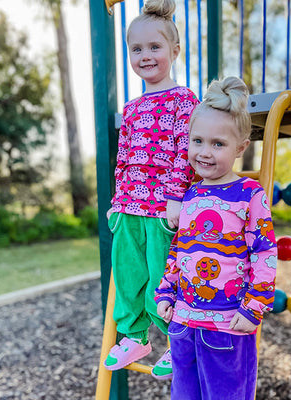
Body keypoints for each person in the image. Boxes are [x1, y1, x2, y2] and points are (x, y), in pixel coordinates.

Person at [155, 76, 277, 399]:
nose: (205, 153)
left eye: (218, 144)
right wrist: (167, 291)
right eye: (198, 141)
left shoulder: (249, 194)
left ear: (241, 147)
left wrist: (255, 306)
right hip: (183, 324)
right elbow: (180, 249)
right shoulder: (191, 194)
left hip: (227, 326)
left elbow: (265, 254)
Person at [103, 0, 199, 381]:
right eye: (136, 49)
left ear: (174, 52)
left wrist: (176, 199)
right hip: (128, 209)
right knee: (127, 275)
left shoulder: (184, 101)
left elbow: (184, 153)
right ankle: (134, 336)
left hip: (163, 209)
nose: (145, 56)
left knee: (164, 277)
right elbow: (123, 158)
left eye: (154, 47)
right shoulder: (130, 109)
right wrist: (115, 202)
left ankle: (176, 342)